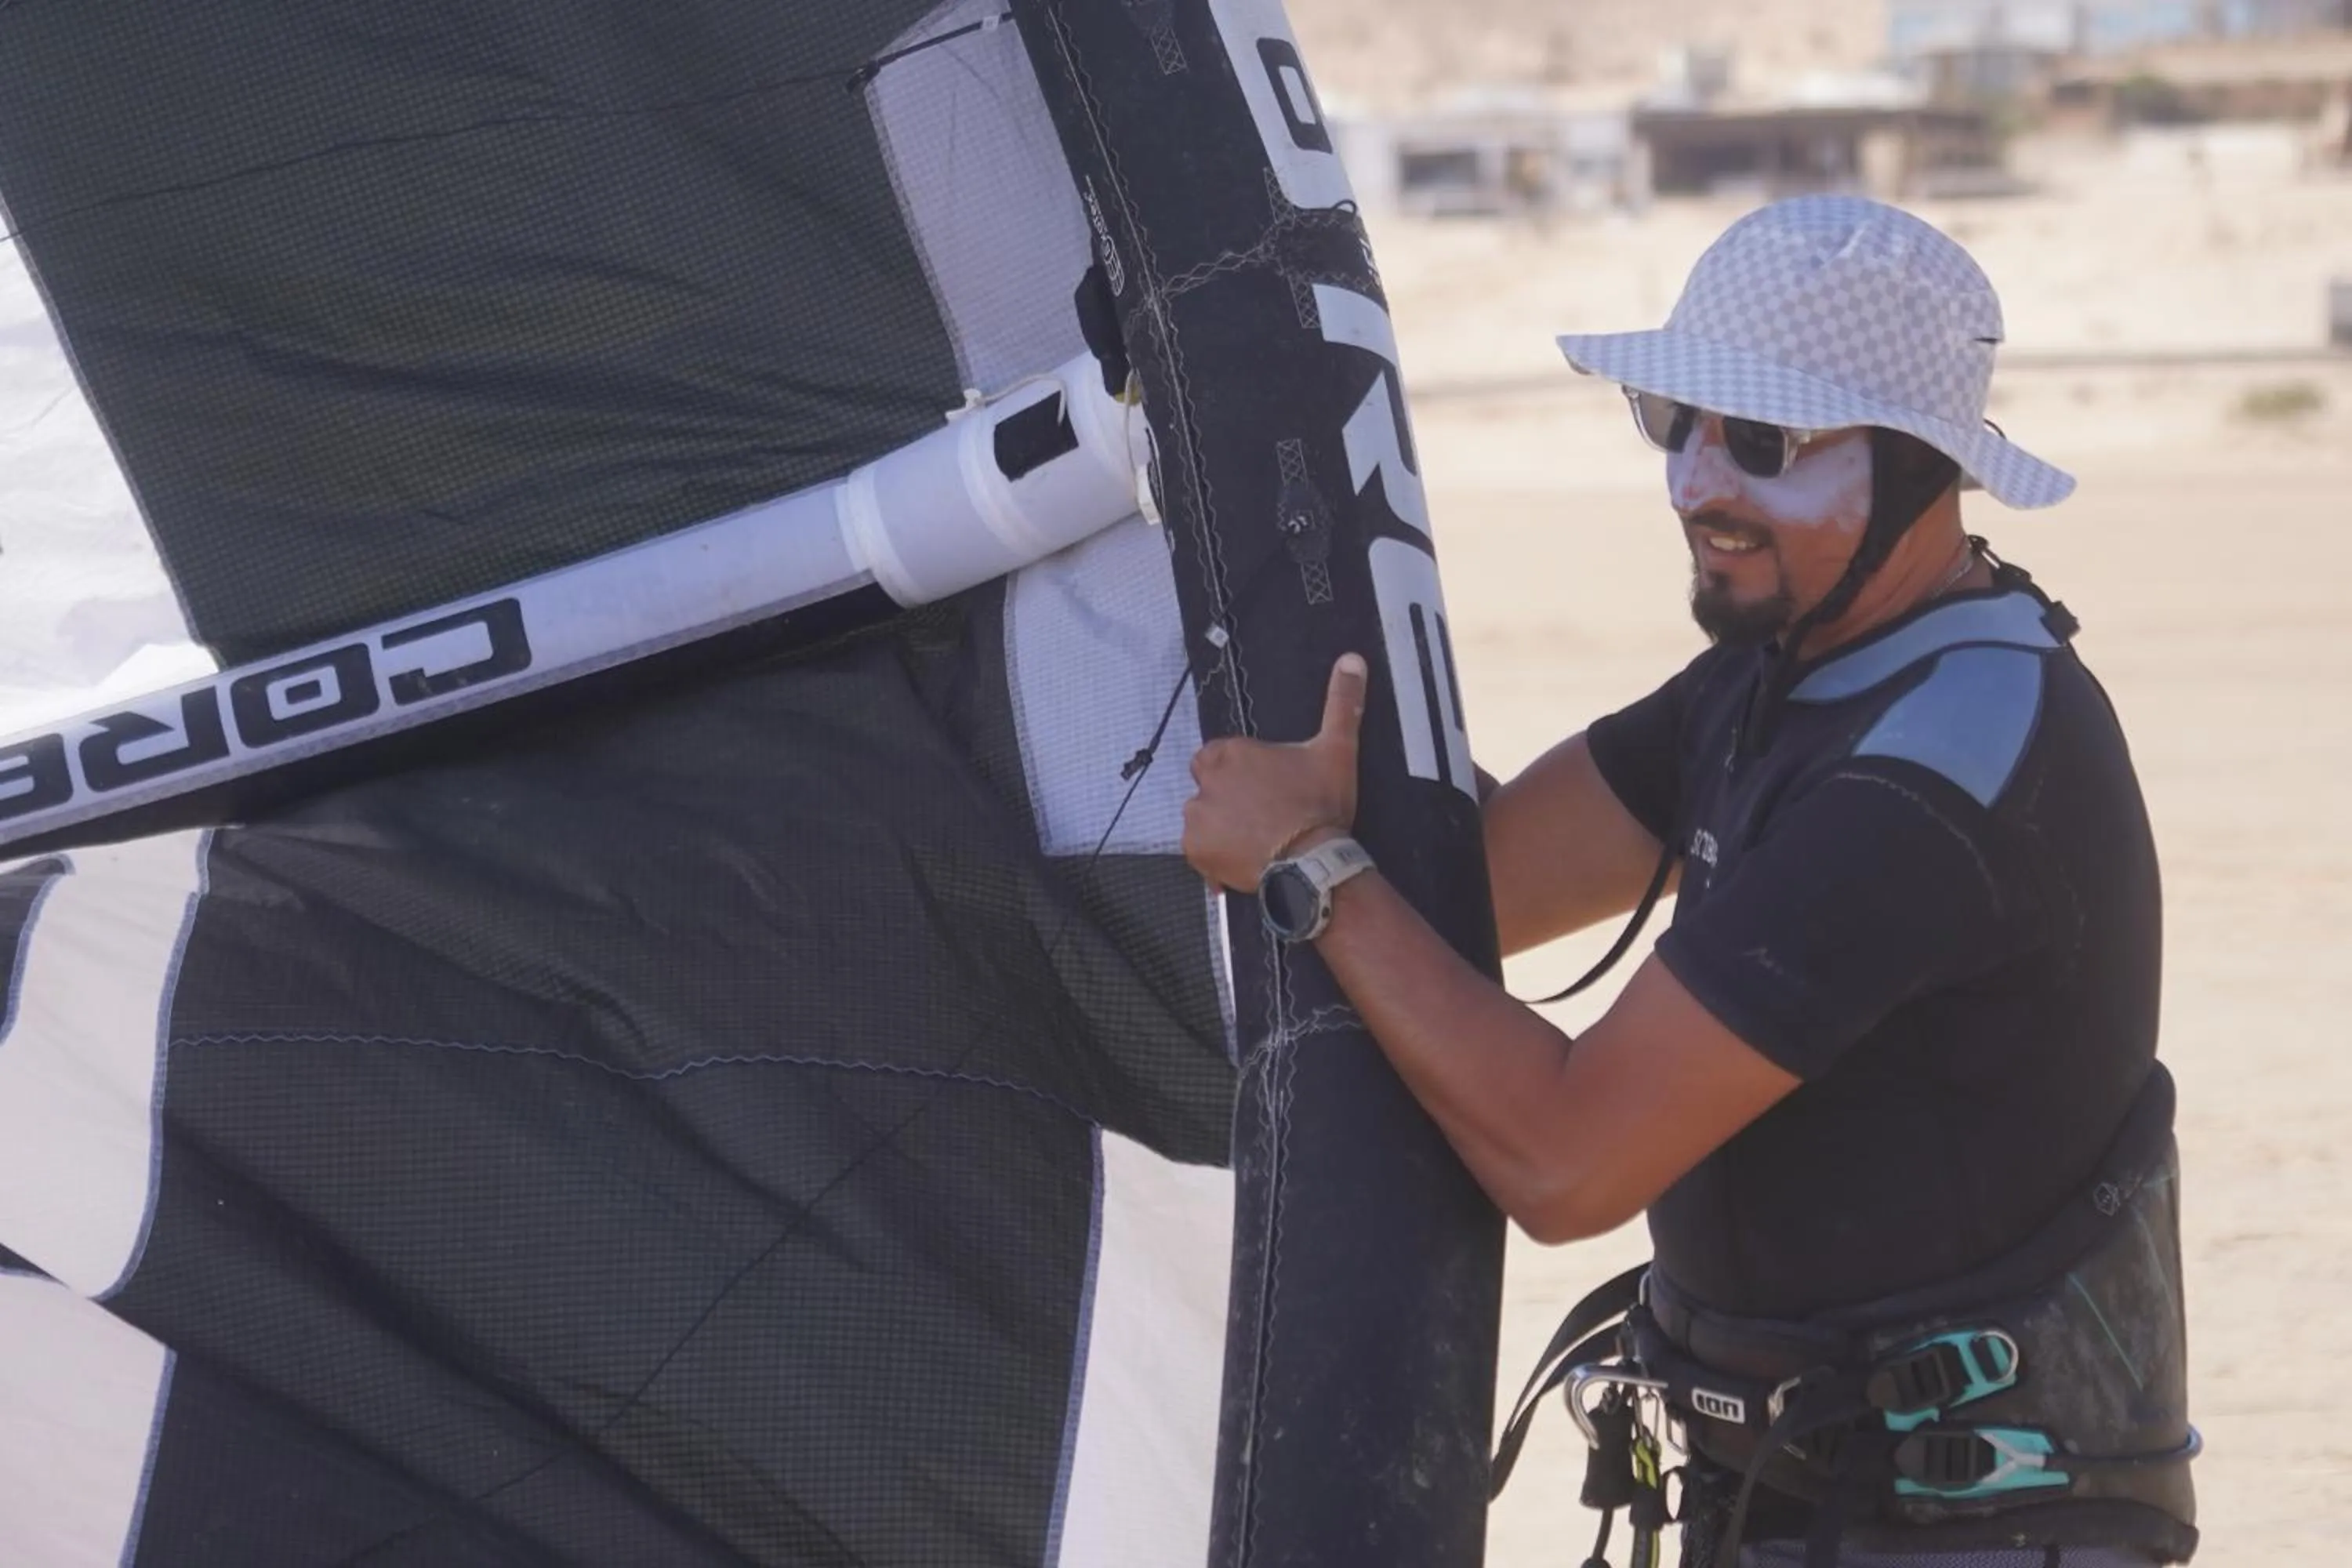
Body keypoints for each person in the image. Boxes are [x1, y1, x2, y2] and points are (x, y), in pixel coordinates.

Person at [1180, 197, 2199, 1566]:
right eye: (1676, 419)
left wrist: (1311, 867)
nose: (1696, 484)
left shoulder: (1940, 767)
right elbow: (1475, 886)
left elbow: (1564, 1159)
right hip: (1783, 1500)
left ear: (1919, 471)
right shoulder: (1781, 677)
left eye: (1763, 441)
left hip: (1974, 1531)